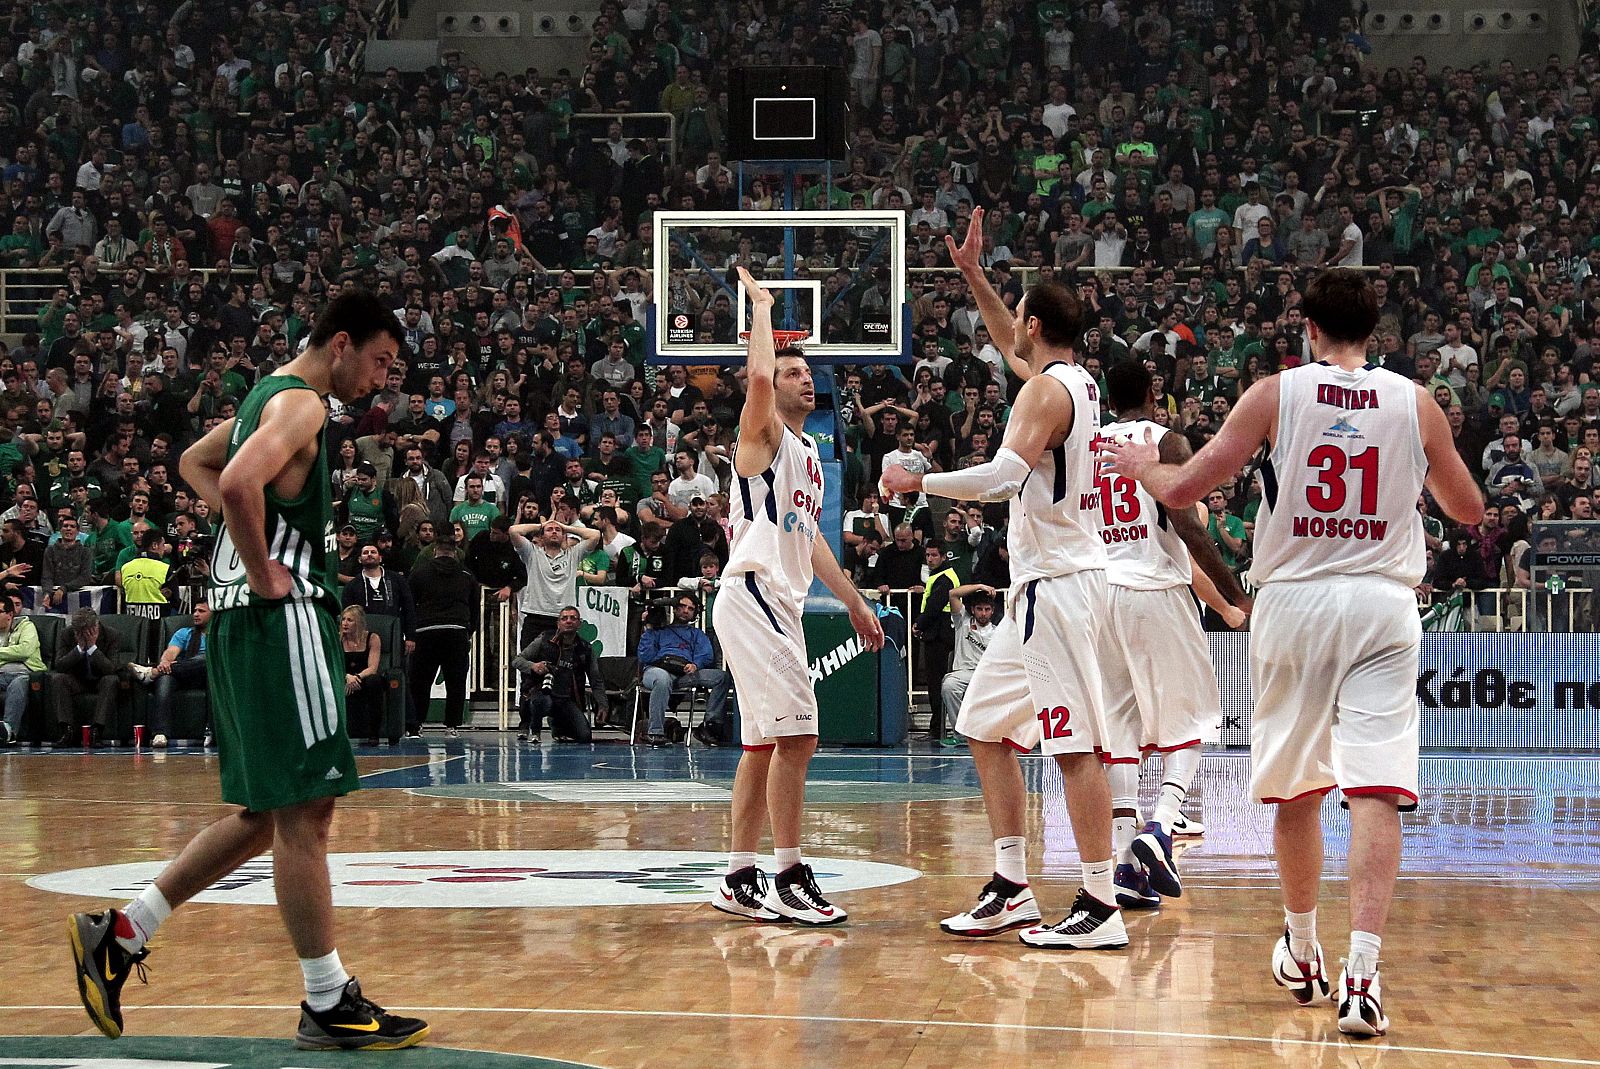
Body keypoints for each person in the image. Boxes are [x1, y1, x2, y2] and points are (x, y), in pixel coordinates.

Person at [1101, 269, 1484, 1037]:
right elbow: (1469, 508)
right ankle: (1364, 975)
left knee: (1298, 789)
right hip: (1383, 601)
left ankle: (1304, 949)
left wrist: (1145, 469)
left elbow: (1189, 485)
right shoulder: (1417, 402)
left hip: (1296, 601)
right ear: (1375, 330)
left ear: (1306, 326)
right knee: (1375, 790)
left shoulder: (1277, 393)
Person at [67, 290, 428, 1049]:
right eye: (380, 360)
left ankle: (123, 930)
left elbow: (197, 462)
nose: (381, 378)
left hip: (237, 624)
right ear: (340, 344)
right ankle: (327, 999)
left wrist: (247, 555)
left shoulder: (267, 390)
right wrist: (266, 569)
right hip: (278, 622)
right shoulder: (302, 405)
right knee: (308, 813)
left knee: (268, 812)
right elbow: (232, 484)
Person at [882, 207, 1122, 949]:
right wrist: (974, 276)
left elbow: (1003, 476)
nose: (1007, 325)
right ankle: (1013, 884)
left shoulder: (1046, 393)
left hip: (1060, 584)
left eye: (1017, 314)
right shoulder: (1070, 381)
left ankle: (1100, 902)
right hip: (1044, 587)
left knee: (1072, 746)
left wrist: (918, 484)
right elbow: (1006, 344)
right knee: (983, 725)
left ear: (1036, 323)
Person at [710, 268, 883, 927]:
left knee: (764, 747)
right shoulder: (762, 440)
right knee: (802, 737)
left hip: (777, 602)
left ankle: (737, 874)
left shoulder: (811, 451)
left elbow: (810, 541)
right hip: (751, 594)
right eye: (791, 372)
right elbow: (754, 381)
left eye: (808, 372)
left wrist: (855, 601)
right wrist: (759, 309)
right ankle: (788, 873)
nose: (803, 378)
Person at [1093, 359, 1252, 911]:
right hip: (1155, 590)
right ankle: (1160, 827)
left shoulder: (1088, 445)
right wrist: (1234, 593)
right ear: (1155, 391)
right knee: (1192, 719)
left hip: (1099, 595)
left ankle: (1122, 869)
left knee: (1120, 733)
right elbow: (1186, 527)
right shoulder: (1166, 441)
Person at [404, 531, 479, 738]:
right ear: (455, 551)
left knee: (420, 681)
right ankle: (452, 726)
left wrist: (411, 632)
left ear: (435, 550)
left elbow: (410, 604)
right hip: (456, 631)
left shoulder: (419, 572)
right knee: (456, 681)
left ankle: (415, 725)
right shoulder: (466, 574)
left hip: (426, 630)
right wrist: (468, 630)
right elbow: (474, 607)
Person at [637, 592, 732, 747]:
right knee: (662, 678)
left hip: (685, 674)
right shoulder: (657, 631)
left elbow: (707, 655)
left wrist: (696, 664)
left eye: (690, 608)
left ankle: (709, 727)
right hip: (656, 670)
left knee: (721, 677)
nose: (686, 610)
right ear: (674, 609)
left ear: (695, 613)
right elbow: (645, 657)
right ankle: (655, 732)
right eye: (682, 606)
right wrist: (648, 627)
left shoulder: (696, 634)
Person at [512, 605, 604, 743]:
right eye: (564, 618)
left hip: (567, 700)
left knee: (584, 736)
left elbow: (595, 679)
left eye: (573, 618)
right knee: (539, 701)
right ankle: (535, 730)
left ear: (579, 623)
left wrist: (602, 704)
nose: (568, 621)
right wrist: (533, 666)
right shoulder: (543, 640)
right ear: (558, 623)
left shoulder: (585, 648)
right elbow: (517, 661)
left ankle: (557, 724)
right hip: (543, 695)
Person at [49, 607, 131, 748]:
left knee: (111, 680)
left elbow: (111, 669)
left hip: (100, 680)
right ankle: (67, 731)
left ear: (95, 626)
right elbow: (59, 665)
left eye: (85, 632)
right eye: (78, 632)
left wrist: (93, 648)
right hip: (77, 680)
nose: (81, 635)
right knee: (58, 679)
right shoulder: (66, 634)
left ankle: (97, 731)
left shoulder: (112, 635)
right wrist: (79, 649)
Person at [135, 599, 212, 749]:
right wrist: (164, 663)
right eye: (195, 611)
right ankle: (160, 734)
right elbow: (170, 653)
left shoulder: (217, 635)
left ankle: (152, 673)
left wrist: (161, 668)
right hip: (183, 675)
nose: (196, 614)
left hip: (207, 677)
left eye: (201, 611)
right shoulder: (184, 633)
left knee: (208, 658)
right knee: (165, 679)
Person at [936, 584, 999, 750]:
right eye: (979, 609)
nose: (983, 613)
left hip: (986, 675)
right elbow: (953, 594)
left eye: (987, 609)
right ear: (973, 609)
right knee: (949, 686)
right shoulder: (962, 621)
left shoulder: (998, 632)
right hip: (963, 673)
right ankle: (962, 736)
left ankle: (999, 734)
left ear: (992, 611)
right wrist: (979, 586)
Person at [0, 595, 46, 745]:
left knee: (19, 682)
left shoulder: (27, 627)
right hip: (2, 674)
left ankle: (8, 731)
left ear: (10, 614)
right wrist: (12, 653)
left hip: (26, 673)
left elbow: (25, 650)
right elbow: (18, 652)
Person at [338, 605, 385, 747]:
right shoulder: (336, 639)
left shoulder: (372, 638)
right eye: (343, 619)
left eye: (350, 620)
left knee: (374, 681)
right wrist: (347, 677)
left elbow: (372, 667)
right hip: (344, 678)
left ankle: (374, 733)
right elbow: (333, 664)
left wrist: (357, 677)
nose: (345, 623)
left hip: (363, 679)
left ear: (358, 622)